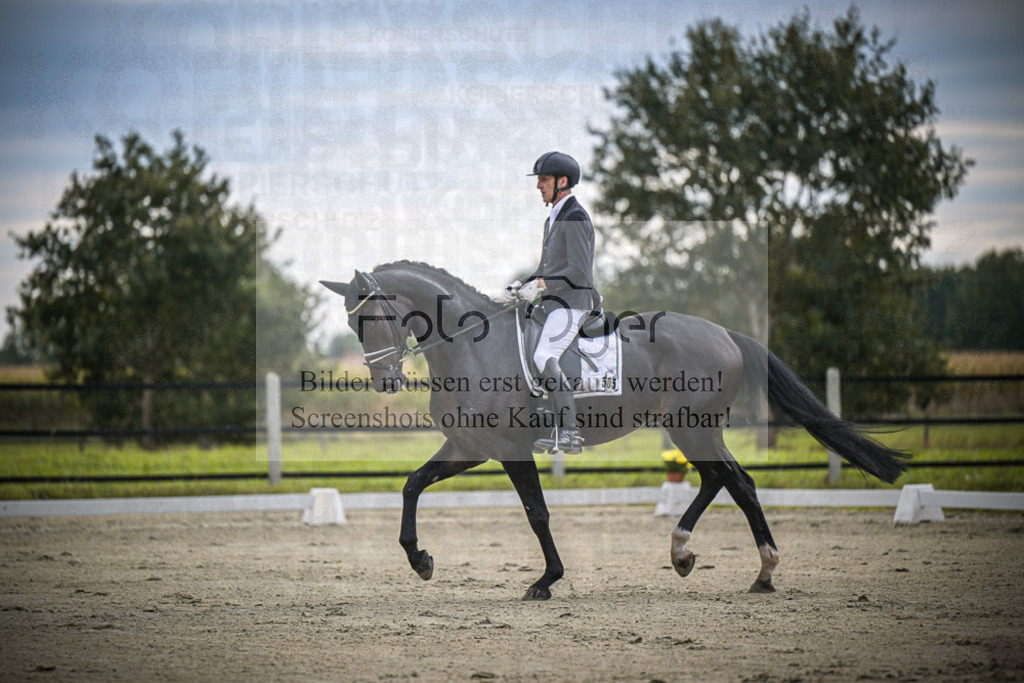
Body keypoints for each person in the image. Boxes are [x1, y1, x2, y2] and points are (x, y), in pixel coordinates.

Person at [508, 151, 601, 454]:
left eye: (544, 179)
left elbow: (578, 271)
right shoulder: (554, 217)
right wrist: (524, 284)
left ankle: (570, 433)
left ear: (563, 181)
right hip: (555, 303)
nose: (538, 186)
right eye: (539, 180)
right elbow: (546, 268)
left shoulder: (575, 216)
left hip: (574, 302)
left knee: (543, 355)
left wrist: (543, 284)